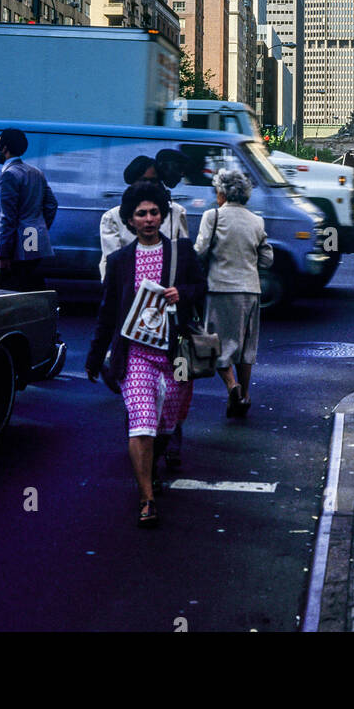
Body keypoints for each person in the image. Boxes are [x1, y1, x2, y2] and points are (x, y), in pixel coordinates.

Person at [85, 180, 206, 527]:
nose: (149, 219)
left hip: (176, 355)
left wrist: (181, 292)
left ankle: (151, 467)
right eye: (142, 214)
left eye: (154, 212)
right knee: (141, 422)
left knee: (168, 423)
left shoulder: (181, 253)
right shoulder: (121, 260)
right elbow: (108, 311)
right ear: (130, 220)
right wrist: (95, 358)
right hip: (135, 353)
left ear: (162, 215)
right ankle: (147, 499)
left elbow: (201, 288)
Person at [194, 168, 273, 419]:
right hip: (251, 290)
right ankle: (246, 395)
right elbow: (267, 259)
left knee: (217, 343)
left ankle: (232, 386)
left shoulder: (212, 216)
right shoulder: (256, 221)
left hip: (221, 288)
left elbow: (199, 251)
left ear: (222, 193)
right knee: (246, 345)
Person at [0, 128, 58, 291]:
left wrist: (2, 254)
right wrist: (40, 226)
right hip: (33, 236)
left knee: (13, 284)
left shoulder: (9, 175)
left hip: (17, 243)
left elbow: (6, 217)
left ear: (5, 148)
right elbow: (51, 205)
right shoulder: (36, 172)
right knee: (29, 277)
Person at [100, 153, 188, 281]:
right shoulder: (112, 217)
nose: (149, 186)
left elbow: (184, 258)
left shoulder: (176, 212)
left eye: (153, 181)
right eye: (143, 181)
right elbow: (113, 262)